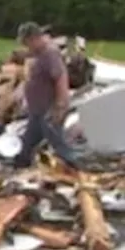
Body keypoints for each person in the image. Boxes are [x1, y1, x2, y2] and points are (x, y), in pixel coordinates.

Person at [13, 22, 82, 169]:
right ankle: (22, 160)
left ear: (34, 38)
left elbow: (61, 78)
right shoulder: (39, 53)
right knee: (30, 138)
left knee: (57, 140)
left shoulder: (50, 54)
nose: (26, 46)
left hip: (49, 108)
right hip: (38, 109)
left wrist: (60, 104)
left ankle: (75, 164)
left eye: (26, 42)